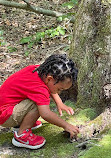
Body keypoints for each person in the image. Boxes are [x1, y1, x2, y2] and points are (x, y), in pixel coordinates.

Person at [0, 54, 79, 149]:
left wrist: (59, 103)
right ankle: (22, 135)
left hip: (7, 107)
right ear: (49, 79)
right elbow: (45, 114)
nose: (59, 92)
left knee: (38, 101)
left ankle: (22, 123)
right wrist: (66, 125)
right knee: (37, 105)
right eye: (60, 89)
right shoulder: (40, 89)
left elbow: (51, 87)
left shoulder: (38, 70)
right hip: (6, 115)